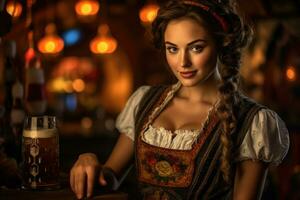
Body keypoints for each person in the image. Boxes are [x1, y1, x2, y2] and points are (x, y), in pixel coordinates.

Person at [70, 0, 290, 199]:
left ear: (221, 44)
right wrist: (88, 161)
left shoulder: (252, 122)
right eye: (172, 49)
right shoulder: (144, 101)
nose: (182, 62)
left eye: (196, 48)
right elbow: (110, 178)